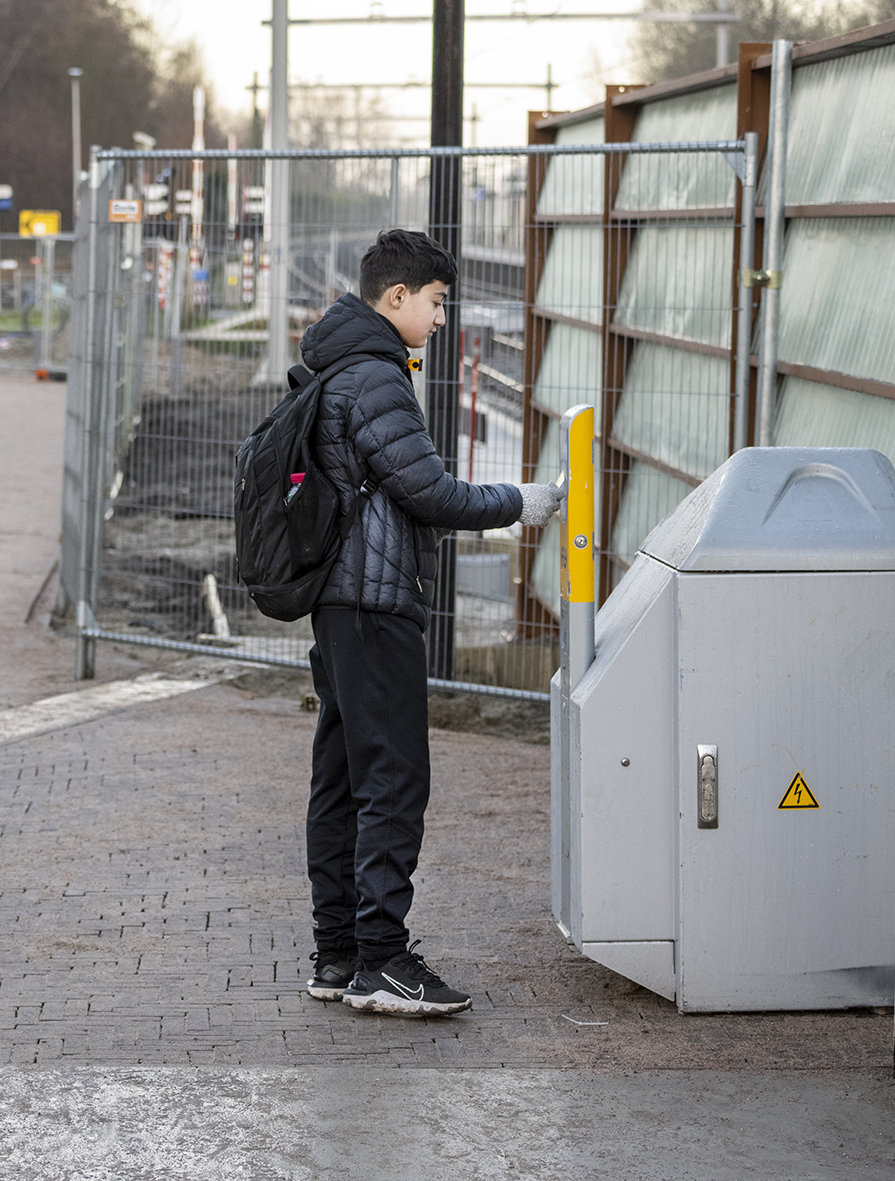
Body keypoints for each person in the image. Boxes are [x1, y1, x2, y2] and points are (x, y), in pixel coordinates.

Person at [300, 229, 563, 1017]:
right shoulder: (377, 379)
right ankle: (381, 959)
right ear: (395, 299)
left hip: (341, 604)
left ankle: (339, 953)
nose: (443, 318)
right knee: (394, 781)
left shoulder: (337, 367)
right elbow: (432, 492)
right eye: (438, 302)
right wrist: (521, 503)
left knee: (343, 780)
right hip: (376, 606)